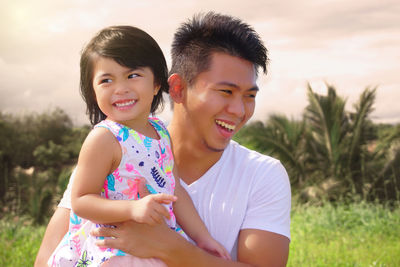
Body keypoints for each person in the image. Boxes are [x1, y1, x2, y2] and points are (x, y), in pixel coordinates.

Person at [35, 12, 291, 267]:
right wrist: (133, 213)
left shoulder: (262, 174)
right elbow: (47, 256)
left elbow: (173, 186)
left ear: (155, 84)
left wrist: (171, 246)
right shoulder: (105, 148)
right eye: (225, 91)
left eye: (249, 96)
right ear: (177, 88)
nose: (238, 110)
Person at [46, 25, 230, 267]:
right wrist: (132, 209)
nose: (120, 88)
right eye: (106, 80)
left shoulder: (161, 131)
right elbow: (81, 200)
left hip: (155, 244)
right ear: (93, 92)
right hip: (113, 248)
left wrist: (203, 237)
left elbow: (175, 191)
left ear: (156, 84)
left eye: (132, 75)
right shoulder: (104, 138)